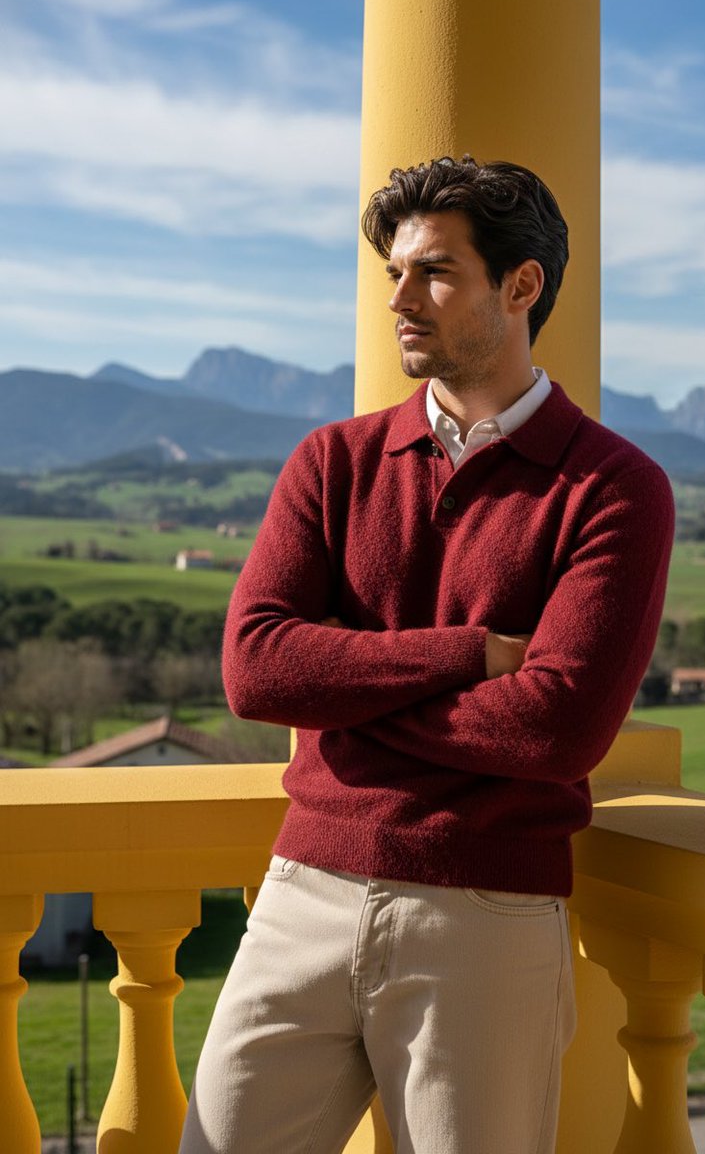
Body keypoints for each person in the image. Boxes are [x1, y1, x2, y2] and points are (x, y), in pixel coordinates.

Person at [179, 155, 675, 1154]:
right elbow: (257, 671)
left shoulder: (614, 488)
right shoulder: (332, 461)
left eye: (433, 273)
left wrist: (344, 701)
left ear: (519, 285)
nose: (397, 298)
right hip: (299, 895)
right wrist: (469, 654)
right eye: (392, 272)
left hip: (484, 919)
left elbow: (553, 728)